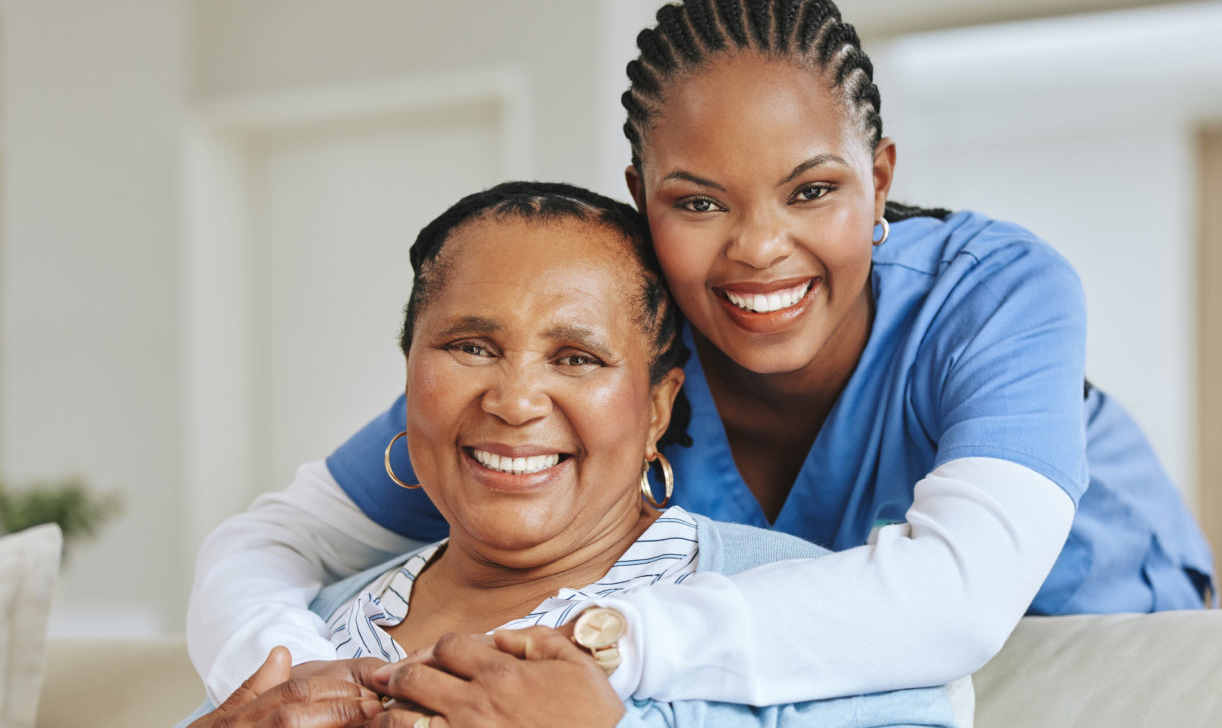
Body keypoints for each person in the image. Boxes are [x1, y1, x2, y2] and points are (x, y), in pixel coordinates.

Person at [187, 0, 1214, 710]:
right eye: (698, 201)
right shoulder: (594, 369)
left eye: (813, 190)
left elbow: (957, 597)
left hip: (1085, 615)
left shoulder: (992, 293)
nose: (760, 248)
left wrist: (607, 643)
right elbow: (266, 542)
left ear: (882, 177)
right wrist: (283, 665)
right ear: (642, 201)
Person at [180, 181, 955, 728]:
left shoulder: (810, 610)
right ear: (410, 376)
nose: (514, 400)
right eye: (471, 346)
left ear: (657, 405)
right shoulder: (307, 626)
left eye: (577, 358)